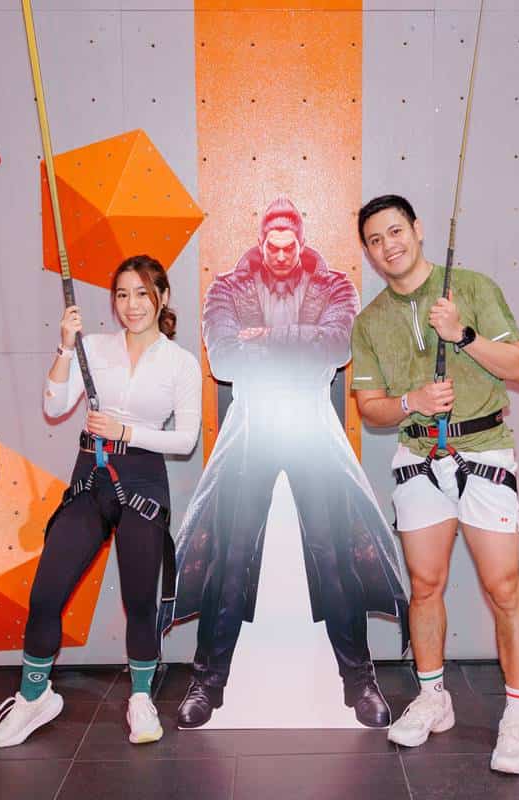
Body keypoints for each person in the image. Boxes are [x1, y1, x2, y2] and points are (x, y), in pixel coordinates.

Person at [164, 197, 408, 729]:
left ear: (300, 242)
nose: (279, 255)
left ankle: (359, 681)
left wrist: (265, 339)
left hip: (310, 427)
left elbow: (337, 347)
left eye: (288, 246)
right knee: (230, 558)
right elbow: (225, 358)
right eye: (271, 247)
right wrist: (298, 342)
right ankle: (207, 682)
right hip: (252, 426)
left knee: (334, 557)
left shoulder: (335, 286)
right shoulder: (227, 288)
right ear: (260, 242)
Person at [351, 194, 519, 774]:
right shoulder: (370, 321)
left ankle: (517, 716)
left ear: (418, 229)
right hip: (418, 457)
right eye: (375, 240)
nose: (388, 246)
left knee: (503, 587)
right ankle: (433, 698)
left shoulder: (472, 288)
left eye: (395, 231)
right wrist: (411, 400)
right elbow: (370, 407)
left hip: (484, 450)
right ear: (369, 252)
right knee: (425, 585)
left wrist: (463, 334)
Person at [0, 255, 201, 748]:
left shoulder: (180, 363)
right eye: (122, 294)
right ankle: (34, 698)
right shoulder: (94, 349)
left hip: (143, 482)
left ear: (163, 297)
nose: (132, 305)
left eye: (142, 293)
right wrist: (66, 347)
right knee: (46, 593)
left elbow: (185, 439)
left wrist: (127, 431)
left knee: (139, 600)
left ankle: (141, 698)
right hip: (91, 478)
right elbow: (55, 405)